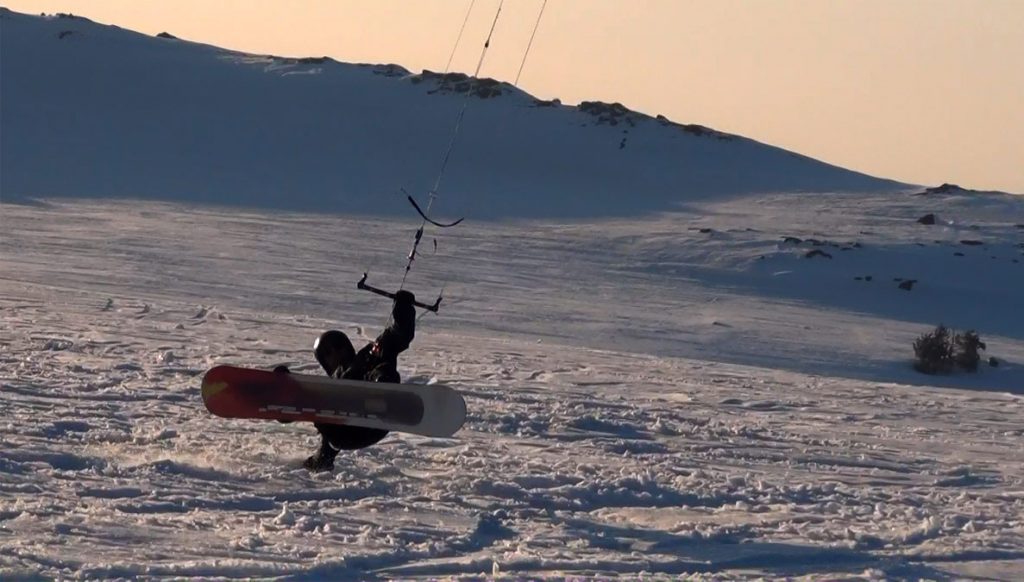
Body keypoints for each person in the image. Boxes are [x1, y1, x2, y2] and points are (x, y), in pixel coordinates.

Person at [279, 290, 418, 472]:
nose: (336, 353)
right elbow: (327, 448)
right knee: (323, 396)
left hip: (375, 423)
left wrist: (403, 308)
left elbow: (398, 335)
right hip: (345, 434)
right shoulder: (332, 387)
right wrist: (320, 461)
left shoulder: (369, 355)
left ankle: (382, 389)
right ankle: (286, 401)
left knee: (380, 366)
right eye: (328, 353)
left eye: (338, 346)